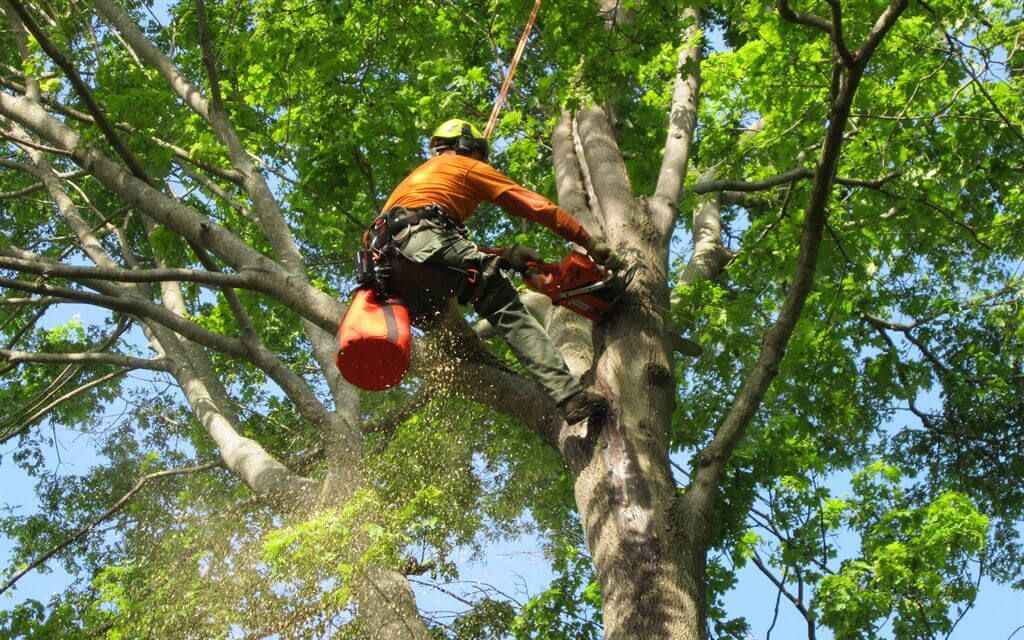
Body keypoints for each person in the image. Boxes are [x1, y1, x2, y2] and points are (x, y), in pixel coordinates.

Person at [366, 119, 623, 423]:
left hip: (388, 275)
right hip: (423, 243)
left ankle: (488, 369)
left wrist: (506, 256)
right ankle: (569, 396)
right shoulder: (465, 165)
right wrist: (588, 242)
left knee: (470, 304)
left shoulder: (416, 185)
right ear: (467, 147)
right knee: (501, 303)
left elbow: (440, 251)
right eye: (481, 154)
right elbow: (533, 205)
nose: (483, 162)